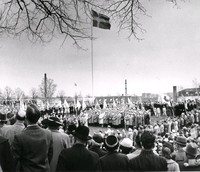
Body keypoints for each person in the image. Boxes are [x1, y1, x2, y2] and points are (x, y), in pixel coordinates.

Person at [12, 104, 53, 172]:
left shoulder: (19, 137)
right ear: (39, 117)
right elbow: (50, 155)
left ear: (26, 118)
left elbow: (14, 159)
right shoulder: (48, 134)